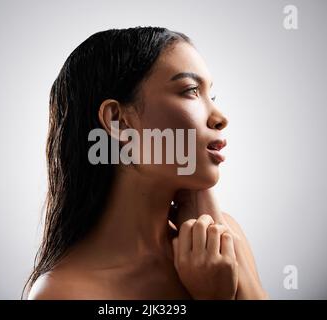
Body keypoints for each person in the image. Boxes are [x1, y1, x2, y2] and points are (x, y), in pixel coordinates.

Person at [24, 26, 268, 300]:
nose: (220, 117)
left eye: (211, 96)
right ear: (118, 121)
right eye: (190, 91)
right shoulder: (64, 292)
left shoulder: (227, 237)